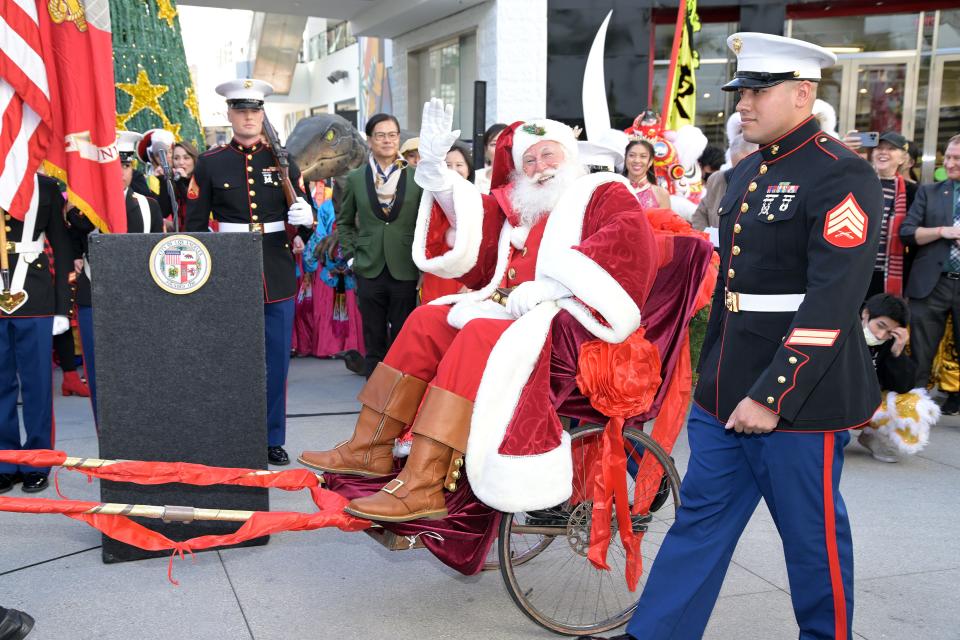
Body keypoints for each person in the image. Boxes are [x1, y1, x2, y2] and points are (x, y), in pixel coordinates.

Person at [593, 33, 883, 640]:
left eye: (756, 91)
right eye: (739, 92)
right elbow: (732, 286)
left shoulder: (842, 175)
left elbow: (832, 300)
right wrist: (711, 381)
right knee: (699, 521)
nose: (741, 104)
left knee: (811, 537)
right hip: (726, 390)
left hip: (801, 397)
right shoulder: (749, 170)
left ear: (803, 94)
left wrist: (773, 395)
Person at [300, 99, 659, 523]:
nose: (540, 165)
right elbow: (473, 224)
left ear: (569, 156)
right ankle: (371, 445)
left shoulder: (600, 192)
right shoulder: (522, 206)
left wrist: (555, 287)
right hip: (507, 312)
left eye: (548, 154)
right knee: (425, 320)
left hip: (565, 325)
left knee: (475, 337)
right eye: (529, 159)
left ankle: (424, 481)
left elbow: (628, 248)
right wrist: (434, 173)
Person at [185, 79, 313, 466]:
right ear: (229, 115)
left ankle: (273, 437)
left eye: (254, 110)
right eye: (240, 110)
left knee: (276, 361)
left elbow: (301, 219)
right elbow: (193, 225)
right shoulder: (210, 163)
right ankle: (234, 434)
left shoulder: (284, 160)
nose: (248, 117)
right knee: (232, 360)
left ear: (262, 115)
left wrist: (306, 220)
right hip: (229, 271)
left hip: (275, 268)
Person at [70, 131, 164, 426]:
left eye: (124, 166)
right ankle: (108, 438)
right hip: (95, 297)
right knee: (100, 375)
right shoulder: (79, 209)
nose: (119, 173)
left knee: (144, 373)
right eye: (111, 167)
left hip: (141, 301)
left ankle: (144, 435)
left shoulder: (150, 206)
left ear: (131, 168)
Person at [335, 113, 422, 378]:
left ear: (399, 138)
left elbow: (426, 222)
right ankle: (374, 396)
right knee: (373, 339)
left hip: (405, 266)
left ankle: (398, 396)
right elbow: (345, 221)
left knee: (402, 335)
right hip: (368, 266)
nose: (387, 140)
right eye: (380, 135)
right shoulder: (356, 178)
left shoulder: (418, 178)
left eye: (392, 135)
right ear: (370, 140)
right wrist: (351, 257)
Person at [0, 174, 72, 494]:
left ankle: (37, 460)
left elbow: (62, 244)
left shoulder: (45, 187)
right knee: (0, 383)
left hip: (35, 293)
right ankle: (5, 460)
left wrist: (61, 307)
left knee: (38, 384)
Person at [899, 134, 960, 415]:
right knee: (920, 354)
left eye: (956, 158)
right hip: (930, 286)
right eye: (947, 156)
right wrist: (942, 232)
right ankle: (914, 410)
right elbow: (908, 232)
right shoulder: (929, 192)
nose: (949, 163)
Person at [856, 294, 936, 463]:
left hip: (867, 403)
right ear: (865, 314)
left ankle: (872, 436)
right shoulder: (843, 333)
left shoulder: (888, 344)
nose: (880, 335)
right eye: (880, 326)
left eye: (889, 332)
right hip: (835, 400)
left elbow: (904, 387)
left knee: (912, 400)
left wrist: (897, 352)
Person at [419, 142, 474, 305]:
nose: (454, 170)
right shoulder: (430, 200)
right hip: (436, 273)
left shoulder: (478, 200)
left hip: (466, 275)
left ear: (469, 169)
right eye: (448, 165)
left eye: (459, 165)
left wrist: (472, 283)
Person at [867, 131, 917, 298]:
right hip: (856, 268)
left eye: (891, 149)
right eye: (879, 148)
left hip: (887, 272)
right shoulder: (859, 183)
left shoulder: (913, 192)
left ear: (903, 159)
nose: (883, 152)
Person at [691, 130, 758, 232]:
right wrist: (706, 236)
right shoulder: (717, 180)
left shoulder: (767, 182)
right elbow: (700, 215)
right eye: (736, 167)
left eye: (746, 166)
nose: (741, 172)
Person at [155, 141, 199, 232]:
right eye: (176, 158)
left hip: (200, 235)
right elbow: (164, 212)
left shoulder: (201, 180)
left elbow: (194, 206)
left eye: (186, 158)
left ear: (194, 160)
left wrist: (181, 182)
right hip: (179, 236)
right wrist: (163, 181)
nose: (181, 162)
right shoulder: (174, 181)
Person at [623, 139, 670, 209]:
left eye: (643, 156)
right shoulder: (614, 189)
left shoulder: (661, 193)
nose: (637, 160)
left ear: (650, 162)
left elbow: (665, 219)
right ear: (625, 158)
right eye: (632, 155)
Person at [473, 123, 507, 194]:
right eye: (494, 144)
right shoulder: (475, 177)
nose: (499, 148)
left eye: (504, 143)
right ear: (485, 149)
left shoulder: (521, 180)